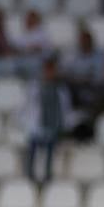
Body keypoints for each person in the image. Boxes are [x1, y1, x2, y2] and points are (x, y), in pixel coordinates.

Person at [21, 55, 70, 185]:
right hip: (37, 125)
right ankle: (30, 175)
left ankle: (48, 176)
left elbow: (64, 109)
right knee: (33, 145)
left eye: (52, 70)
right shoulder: (35, 87)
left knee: (50, 145)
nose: (50, 73)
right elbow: (28, 107)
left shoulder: (60, 89)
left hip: (53, 126)